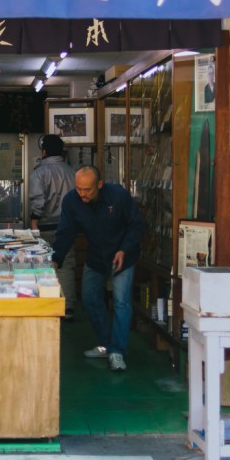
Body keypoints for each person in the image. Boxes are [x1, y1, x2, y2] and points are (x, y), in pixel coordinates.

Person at [52, 165, 146, 372]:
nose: (82, 194)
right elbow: (66, 232)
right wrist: (56, 259)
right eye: (78, 188)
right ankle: (107, 344)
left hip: (123, 256)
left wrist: (124, 249)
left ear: (100, 185)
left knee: (122, 303)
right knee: (90, 299)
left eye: (87, 190)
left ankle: (118, 352)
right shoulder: (71, 201)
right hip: (96, 257)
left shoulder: (118, 196)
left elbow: (137, 225)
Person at [28, 134, 77, 319]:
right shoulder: (72, 172)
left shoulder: (40, 172)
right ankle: (68, 306)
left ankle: (49, 304)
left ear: (44, 151)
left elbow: (38, 199)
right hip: (68, 225)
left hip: (46, 225)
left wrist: (34, 222)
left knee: (45, 264)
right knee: (66, 264)